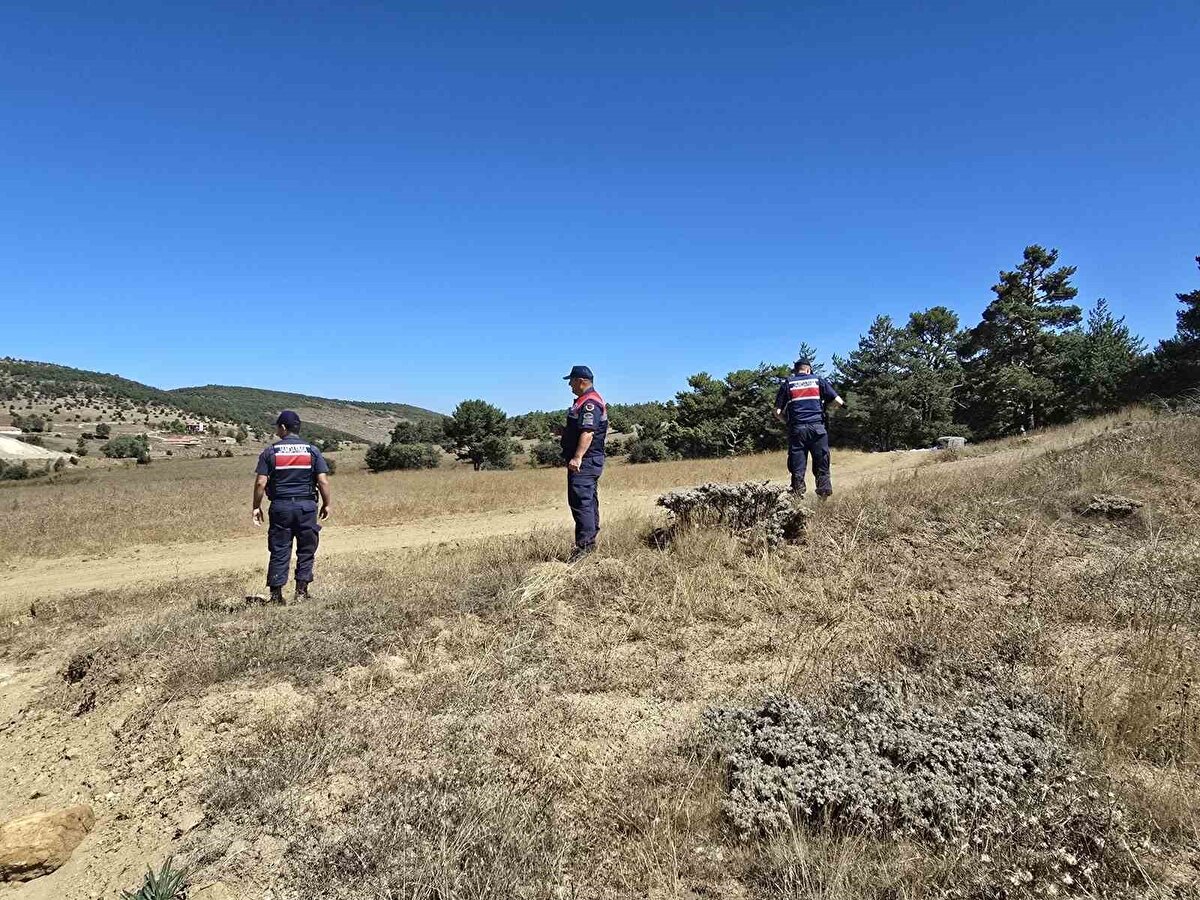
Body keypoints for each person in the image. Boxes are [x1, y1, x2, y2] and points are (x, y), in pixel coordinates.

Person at [251, 410, 332, 603]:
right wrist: (327, 503)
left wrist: (256, 506)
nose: (277, 430)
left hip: (281, 507)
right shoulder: (312, 451)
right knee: (306, 549)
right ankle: (301, 593)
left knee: (279, 549)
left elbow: (261, 483)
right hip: (306, 507)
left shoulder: (270, 452)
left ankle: (276, 596)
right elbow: (323, 481)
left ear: (284, 428)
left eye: (278, 427)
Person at [774, 358, 844, 497]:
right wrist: (825, 409)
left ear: (796, 371)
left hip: (797, 430)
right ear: (808, 369)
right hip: (818, 428)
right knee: (821, 464)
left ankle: (797, 498)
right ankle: (823, 496)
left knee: (797, 467)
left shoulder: (788, 383)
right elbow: (839, 401)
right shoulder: (818, 381)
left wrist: (788, 422)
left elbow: (776, 412)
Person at [561, 365, 608, 561]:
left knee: (582, 502)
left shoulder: (590, 403)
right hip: (587, 461)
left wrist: (577, 456)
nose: (569, 385)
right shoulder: (583, 401)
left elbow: (588, 432)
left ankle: (585, 550)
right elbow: (579, 429)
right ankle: (589, 543)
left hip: (586, 462)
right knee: (586, 501)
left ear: (581, 381)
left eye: (571, 381)